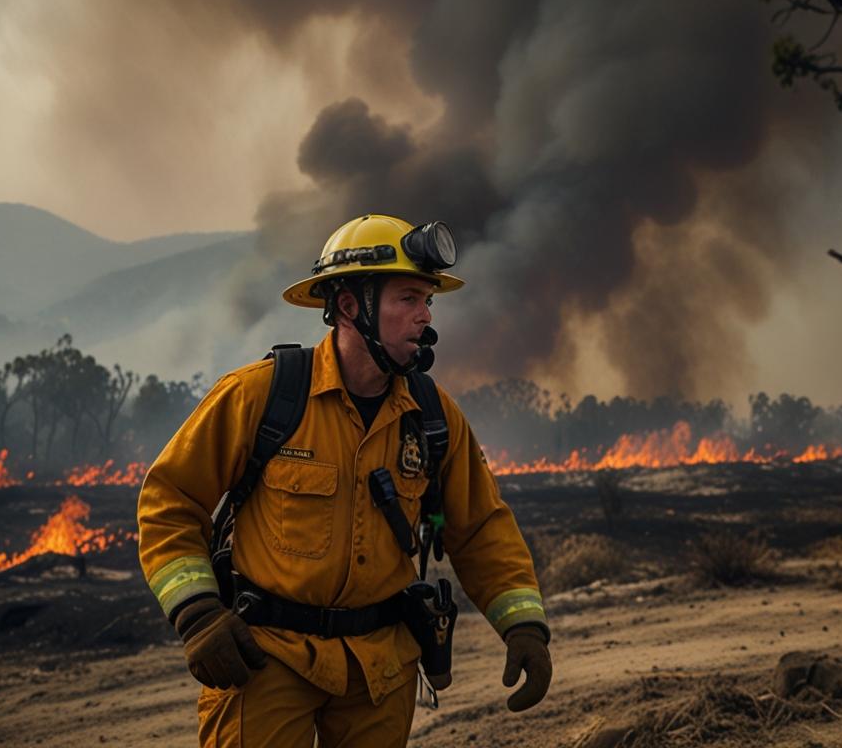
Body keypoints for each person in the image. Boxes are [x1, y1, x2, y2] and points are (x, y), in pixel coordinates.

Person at [137, 214, 552, 747]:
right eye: (408, 298)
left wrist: (524, 626)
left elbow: (480, 528)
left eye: (428, 301)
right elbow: (169, 499)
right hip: (268, 660)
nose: (425, 316)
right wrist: (197, 614)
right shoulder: (263, 396)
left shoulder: (430, 414)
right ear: (351, 305)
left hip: (379, 672)